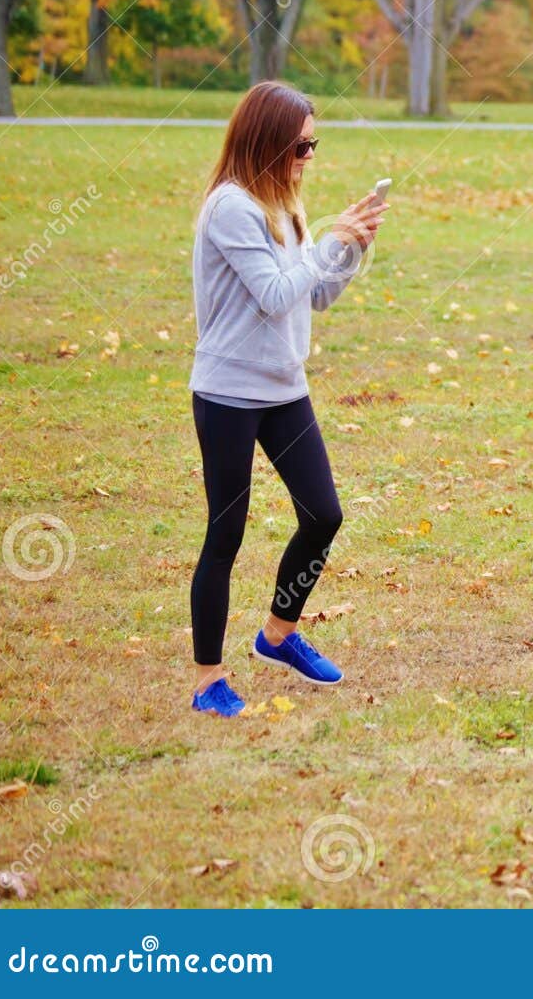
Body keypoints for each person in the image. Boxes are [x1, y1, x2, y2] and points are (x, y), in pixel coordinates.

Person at [186, 81, 388, 717]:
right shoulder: (231, 208)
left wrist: (350, 251)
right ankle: (207, 680)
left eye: (312, 144)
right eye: (300, 145)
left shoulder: (284, 206)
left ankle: (278, 634)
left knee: (324, 515)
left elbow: (314, 297)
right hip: (227, 392)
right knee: (227, 530)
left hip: (283, 388)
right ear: (268, 142)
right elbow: (275, 293)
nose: (308, 155)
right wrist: (332, 242)